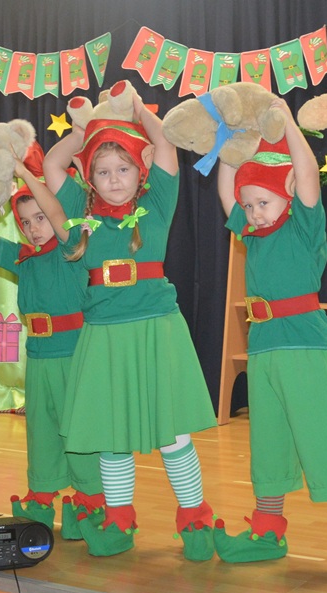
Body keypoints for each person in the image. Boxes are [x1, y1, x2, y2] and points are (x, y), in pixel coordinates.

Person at [212, 99, 327, 581]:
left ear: (289, 194)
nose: (254, 212)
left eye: (263, 202)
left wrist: (285, 122)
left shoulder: (305, 222)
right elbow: (228, 191)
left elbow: (308, 172)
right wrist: (233, 143)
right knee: (268, 440)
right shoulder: (250, 231)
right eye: (250, 205)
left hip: (305, 346)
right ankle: (267, 531)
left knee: (322, 438)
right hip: (264, 346)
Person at [43, 94, 216, 560]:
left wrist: (137, 108)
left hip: (157, 331)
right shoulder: (79, 209)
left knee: (173, 436)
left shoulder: (157, 202)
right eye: (103, 172)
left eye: (123, 168)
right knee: (111, 436)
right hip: (104, 335)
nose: (114, 179)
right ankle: (119, 521)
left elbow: (166, 146)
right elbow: (53, 164)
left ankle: (195, 518)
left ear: (140, 171)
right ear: (89, 178)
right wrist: (86, 131)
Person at [0, 159, 104, 538]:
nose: (33, 228)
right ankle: (41, 497)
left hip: (73, 354)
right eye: (25, 222)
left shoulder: (71, 249)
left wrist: (26, 174)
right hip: (39, 357)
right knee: (41, 429)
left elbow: (58, 215)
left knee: (78, 430)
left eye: (40, 218)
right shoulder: (23, 257)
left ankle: (92, 502)